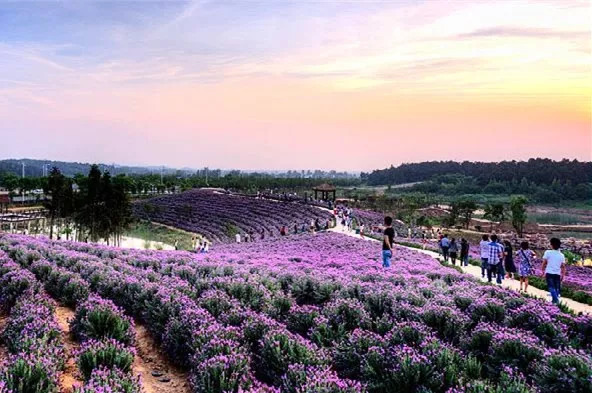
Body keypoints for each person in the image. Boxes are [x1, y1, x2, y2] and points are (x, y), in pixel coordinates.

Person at [541, 238, 567, 304]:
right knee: (556, 288)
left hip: (549, 272)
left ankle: (556, 300)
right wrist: (563, 275)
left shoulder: (548, 252)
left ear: (551, 245)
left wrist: (542, 270)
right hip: (557, 273)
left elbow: (544, 263)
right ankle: (554, 301)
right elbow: (563, 266)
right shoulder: (562, 255)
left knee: (551, 287)